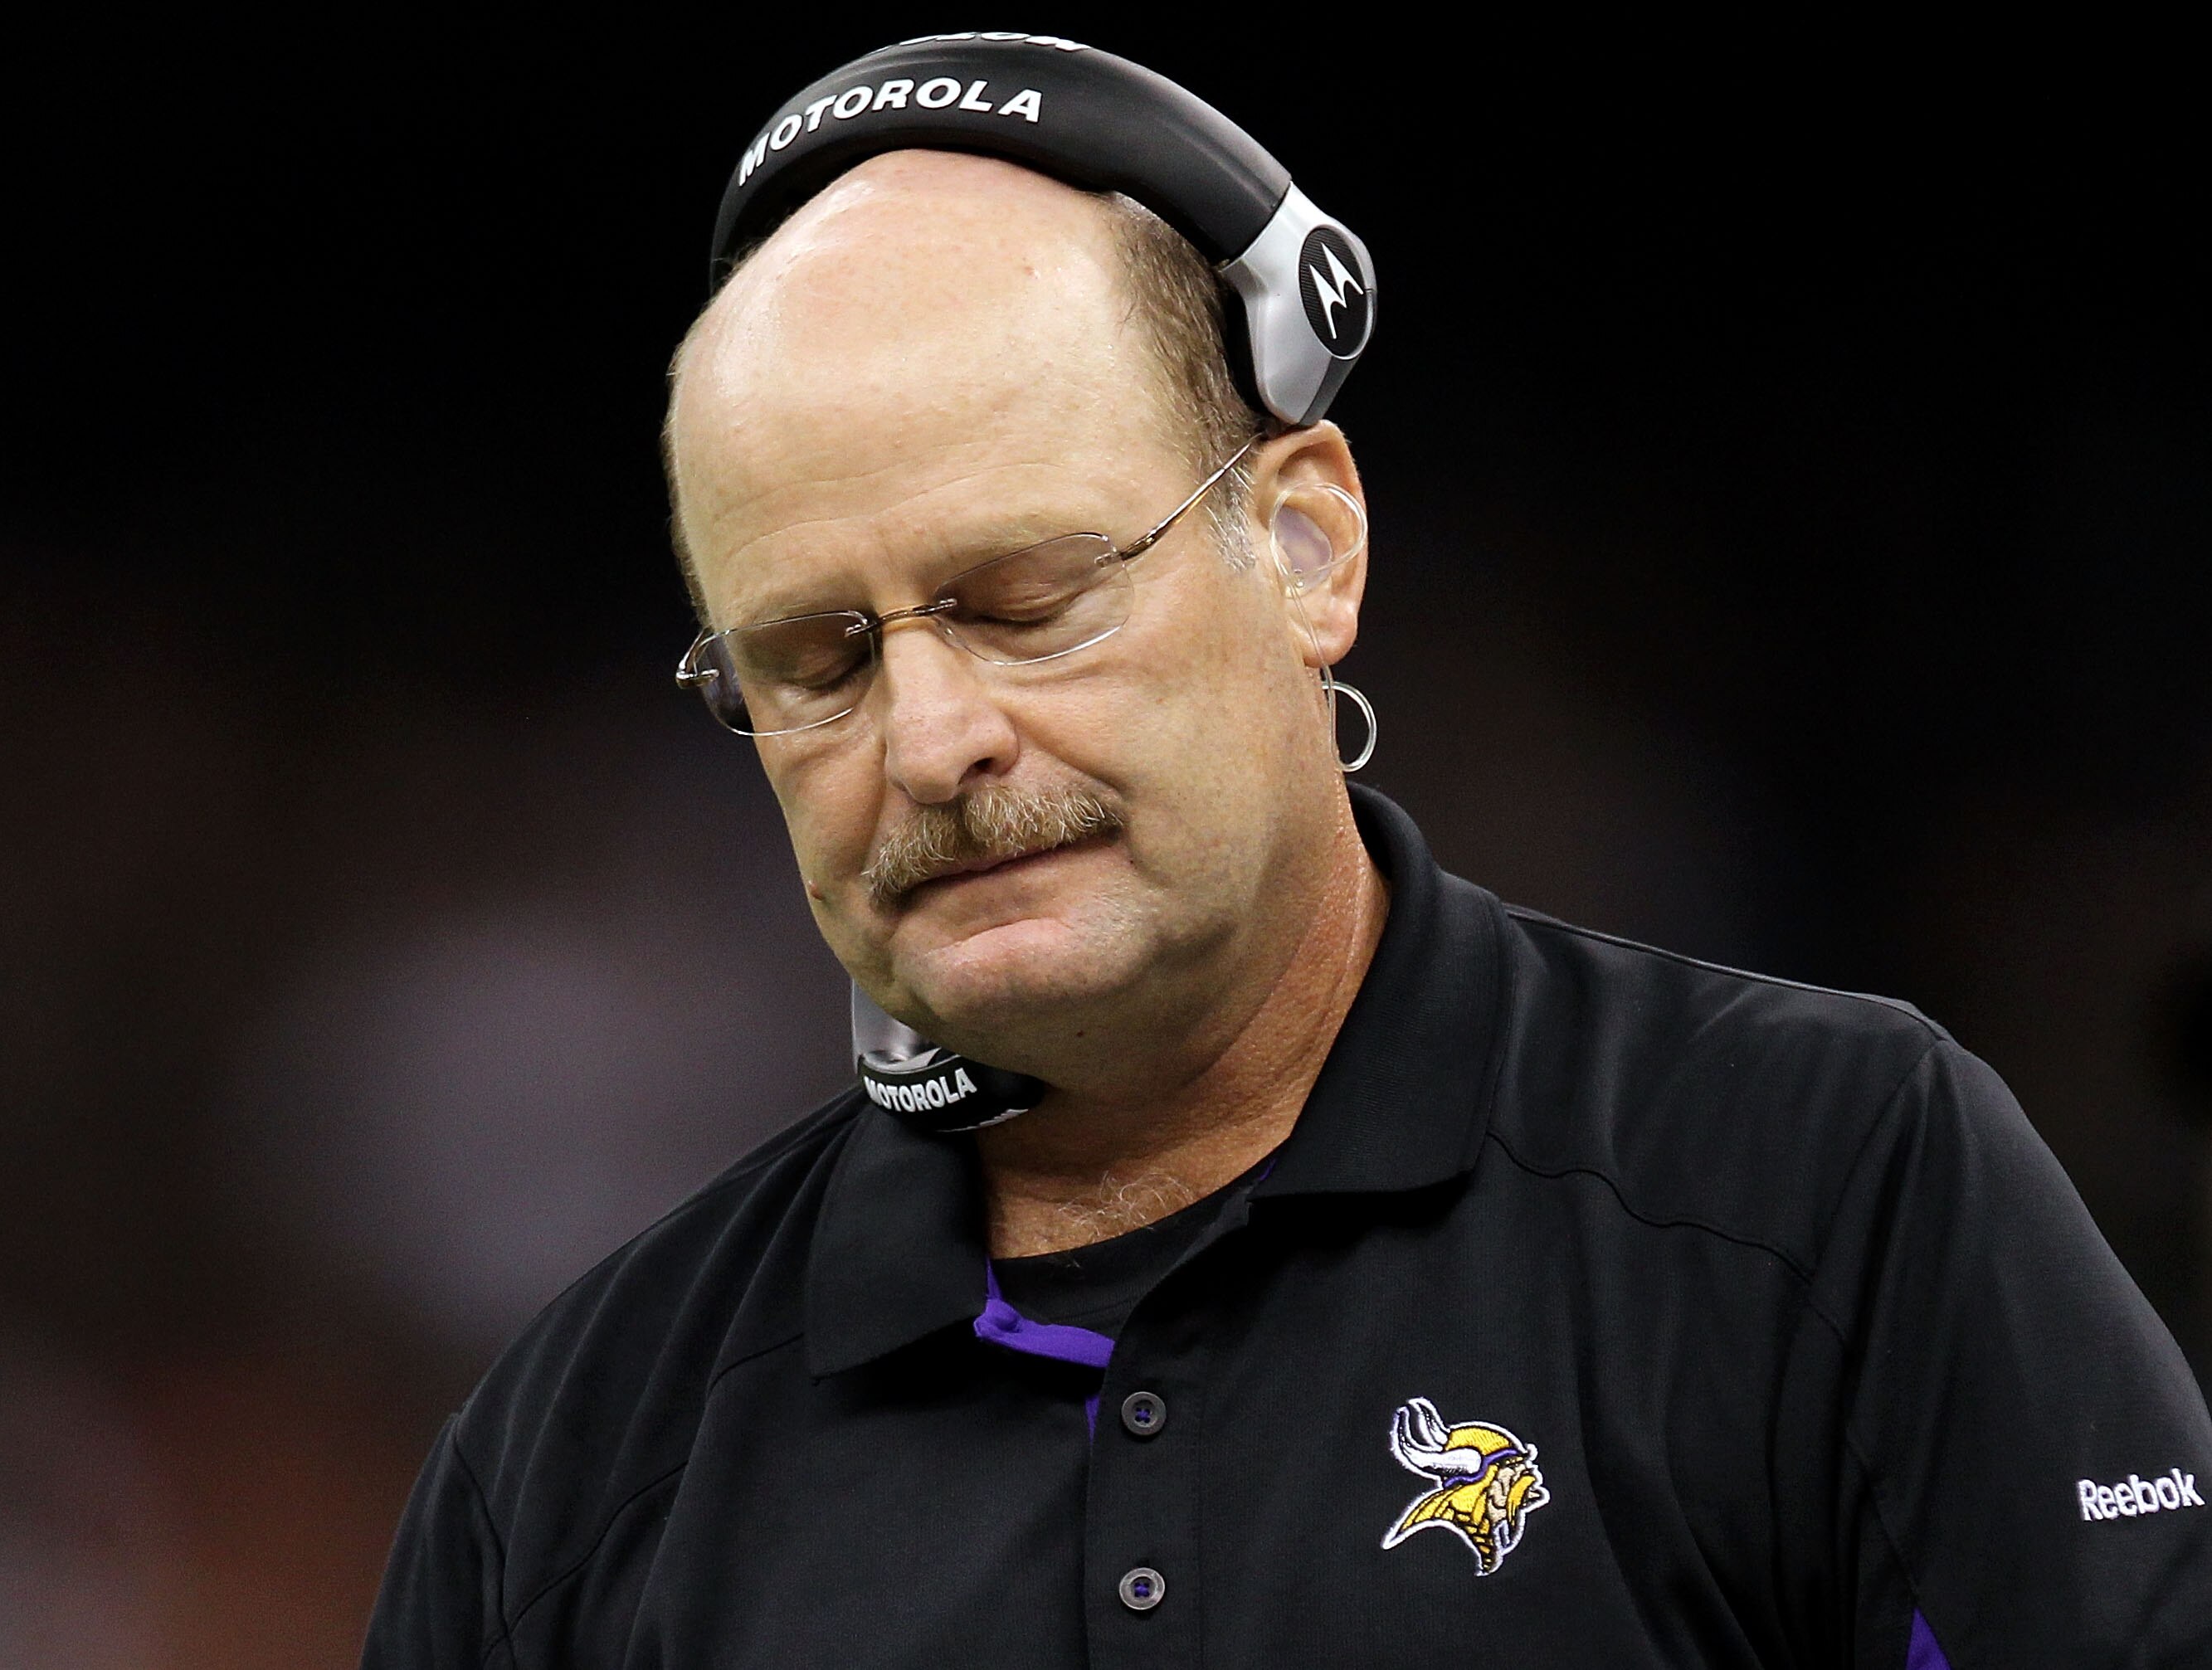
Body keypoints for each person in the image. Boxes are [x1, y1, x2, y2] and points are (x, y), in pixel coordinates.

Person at [363, 37, 2212, 1668]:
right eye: (815, 658)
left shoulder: (1823, 1189)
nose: (930, 741)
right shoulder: (576, 1459)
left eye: (1025, 598)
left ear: (1309, 548)